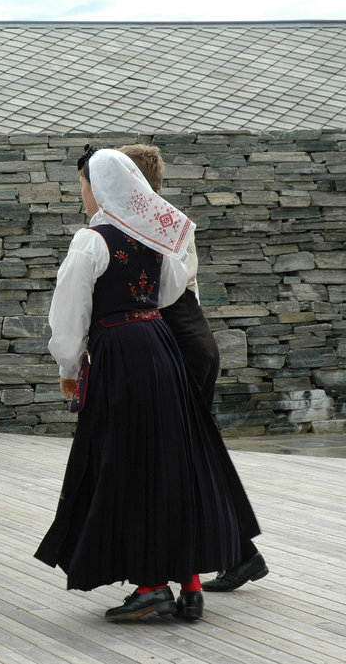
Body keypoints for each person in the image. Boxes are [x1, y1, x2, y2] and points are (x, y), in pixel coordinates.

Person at [34, 148, 261, 622]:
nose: (83, 193)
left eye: (85, 184)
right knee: (174, 459)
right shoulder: (156, 235)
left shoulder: (91, 240)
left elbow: (69, 313)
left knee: (132, 462)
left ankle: (152, 585)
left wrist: (69, 368)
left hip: (120, 351)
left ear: (99, 187)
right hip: (160, 344)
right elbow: (170, 291)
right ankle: (190, 584)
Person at [119, 144, 269, 593]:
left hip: (176, 348)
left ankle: (237, 553)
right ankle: (235, 553)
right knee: (196, 455)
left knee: (189, 457)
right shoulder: (170, 221)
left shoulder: (151, 225)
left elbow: (159, 295)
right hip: (192, 341)